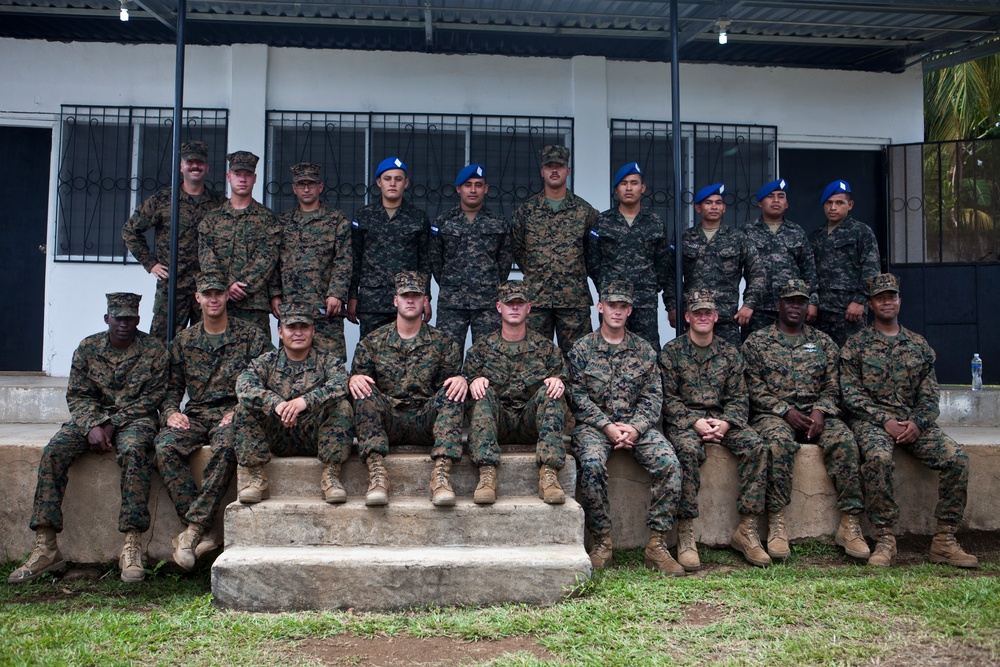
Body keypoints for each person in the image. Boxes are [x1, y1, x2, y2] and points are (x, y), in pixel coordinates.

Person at [9, 293, 167, 584]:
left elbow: (154, 396)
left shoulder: (154, 350)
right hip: (90, 419)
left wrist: (111, 424)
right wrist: (93, 424)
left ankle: (131, 545)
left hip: (136, 419)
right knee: (54, 451)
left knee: (135, 451)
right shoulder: (88, 348)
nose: (124, 323)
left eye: (129, 318)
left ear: (138, 320)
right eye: (118, 317)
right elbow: (78, 395)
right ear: (107, 319)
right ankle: (46, 547)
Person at [840, 273, 978, 568]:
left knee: (957, 459)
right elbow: (851, 395)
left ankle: (944, 540)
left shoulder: (918, 345)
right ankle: (885, 538)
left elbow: (930, 396)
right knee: (877, 458)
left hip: (913, 424)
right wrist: (883, 419)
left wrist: (917, 423)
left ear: (899, 301)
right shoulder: (856, 345)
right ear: (870, 305)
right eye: (880, 298)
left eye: (892, 297)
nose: (887, 302)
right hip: (872, 423)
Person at [742, 278, 870, 562]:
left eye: (801, 301)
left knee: (845, 440)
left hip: (816, 416)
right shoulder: (757, 342)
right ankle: (777, 523)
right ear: (778, 305)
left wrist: (821, 411)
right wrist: (784, 410)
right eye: (790, 301)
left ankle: (850, 523)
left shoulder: (823, 342)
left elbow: (834, 383)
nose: (795, 307)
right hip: (773, 415)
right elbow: (752, 386)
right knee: (777, 443)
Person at [155, 273, 272, 571]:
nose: (213, 299)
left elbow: (266, 379)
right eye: (207, 294)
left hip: (233, 413)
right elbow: (172, 387)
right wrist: (170, 411)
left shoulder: (251, 336)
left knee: (228, 447)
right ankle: (203, 529)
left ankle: (192, 531)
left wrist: (240, 408)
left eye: (218, 293)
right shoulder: (184, 341)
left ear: (226, 296)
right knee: (165, 447)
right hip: (196, 413)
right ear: (198, 298)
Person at [569, 280, 683, 575]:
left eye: (622, 307)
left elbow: (653, 396)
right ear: (600, 307)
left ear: (630, 310)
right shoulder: (582, 349)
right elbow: (577, 396)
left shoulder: (643, 350)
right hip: (595, 427)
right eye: (612, 306)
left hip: (637, 425)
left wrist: (635, 428)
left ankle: (656, 546)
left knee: (669, 463)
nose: (617, 312)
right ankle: (603, 543)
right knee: (592, 464)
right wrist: (606, 426)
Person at [659, 289, 770, 569]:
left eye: (708, 313)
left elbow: (738, 397)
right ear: (687, 317)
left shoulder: (729, 353)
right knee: (686, 450)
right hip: (687, 421)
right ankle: (685, 534)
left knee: (756, 446)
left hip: (722, 420)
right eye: (697, 313)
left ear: (716, 316)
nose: (703, 317)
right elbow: (667, 398)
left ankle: (747, 530)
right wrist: (693, 421)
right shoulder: (672, 353)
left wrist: (726, 422)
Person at [349, 271, 468, 507]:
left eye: (416, 295)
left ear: (425, 301)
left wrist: (461, 379)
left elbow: (447, 389)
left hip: (426, 421)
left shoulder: (443, 343)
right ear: (396, 301)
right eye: (405, 296)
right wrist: (353, 380)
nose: (410, 300)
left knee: (454, 390)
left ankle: (441, 477)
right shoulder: (372, 343)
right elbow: (361, 383)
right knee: (362, 390)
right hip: (389, 420)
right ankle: (377, 476)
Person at [234, 302, 354, 505]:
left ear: (313, 331)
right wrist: (276, 404)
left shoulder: (328, 361)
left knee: (342, 407)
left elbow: (341, 384)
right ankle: (257, 479)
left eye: (304, 327)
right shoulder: (266, 362)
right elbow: (244, 385)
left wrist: (304, 401)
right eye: (291, 327)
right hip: (277, 433)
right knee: (242, 409)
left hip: (314, 435)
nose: (298, 333)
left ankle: (331, 476)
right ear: (280, 332)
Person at [464, 280, 569, 506]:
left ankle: (549, 475)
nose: (514, 308)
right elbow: (468, 381)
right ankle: (486, 473)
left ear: (528, 308)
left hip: (529, 423)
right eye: (509, 303)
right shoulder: (481, 350)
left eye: (519, 303)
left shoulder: (547, 350)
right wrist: (474, 381)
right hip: (497, 424)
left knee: (552, 391)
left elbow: (563, 380)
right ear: (499, 307)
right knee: (481, 393)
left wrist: (557, 382)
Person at [121, 140, 224, 341]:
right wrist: (150, 264)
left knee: (205, 342)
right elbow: (130, 230)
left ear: (207, 167)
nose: (195, 166)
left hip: (206, 288)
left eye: (200, 162)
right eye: (190, 162)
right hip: (172, 286)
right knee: (161, 343)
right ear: (181, 167)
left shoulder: (219, 203)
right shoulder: (164, 200)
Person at [512, 145, 597, 356]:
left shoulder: (585, 212)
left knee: (578, 357)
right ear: (542, 171)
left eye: (559, 166)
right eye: (549, 166)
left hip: (573, 299)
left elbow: (593, 254)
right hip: (536, 299)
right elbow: (517, 249)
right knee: (535, 358)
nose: (554, 171)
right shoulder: (526, 211)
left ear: (568, 170)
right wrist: (537, 271)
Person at [664, 183, 766, 347]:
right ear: (698, 208)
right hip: (693, 316)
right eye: (708, 202)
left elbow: (757, 273)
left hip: (726, 317)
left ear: (724, 208)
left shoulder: (738, 238)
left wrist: (749, 305)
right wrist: (672, 307)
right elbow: (670, 276)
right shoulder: (684, 238)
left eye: (718, 203)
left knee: (729, 367)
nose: (714, 207)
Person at [270, 162, 352, 361]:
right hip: (292, 311)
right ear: (294, 188)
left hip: (325, 310)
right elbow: (273, 261)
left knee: (331, 366)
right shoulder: (282, 223)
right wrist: (274, 294)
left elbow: (344, 258)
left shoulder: (336, 220)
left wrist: (337, 293)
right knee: (292, 367)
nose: (306, 189)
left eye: (311, 184)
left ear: (320, 186)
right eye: (301, 184)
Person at [198, 151, 281, 339]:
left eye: (247, 175)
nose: (242, 179)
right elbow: (206, 258)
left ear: (255, 178)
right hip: (218, 304)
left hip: (254, 305)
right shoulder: (212, 219)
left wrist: (242, 286)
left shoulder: (267, 219)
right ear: (229, 177)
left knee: (258, 360)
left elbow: (267, 258)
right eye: (237, 174)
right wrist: (225, 286)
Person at [586, 162, 669, 348]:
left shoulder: (655, 222)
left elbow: (663, 261)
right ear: (616, 189)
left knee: (647, 348)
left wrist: (651, 284)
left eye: (634, 183)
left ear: (643, 188)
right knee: (610, 346)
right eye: (623, 184)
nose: (629, 188)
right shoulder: (603, 221)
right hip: (612, 300)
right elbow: (592, 260)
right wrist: (606, 284)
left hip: (644, 300)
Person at [349, 157, 432, 339]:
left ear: (406, 183)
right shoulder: (364, 216)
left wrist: (426, 298)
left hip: (407, 299)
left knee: (407, 353)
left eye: (398, 179)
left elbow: (425, 262)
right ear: (379, 182)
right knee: (369, 352)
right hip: (372, 300)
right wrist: (352, 296)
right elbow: (355, 258)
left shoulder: (418, 218)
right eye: (387, 179)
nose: (392, 183)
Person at [430, 164, 513, 346]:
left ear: (486, 188)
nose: (473, 190)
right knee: (447, 355)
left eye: (478, 184)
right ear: (459, 189)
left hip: (487, 302)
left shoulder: (499, 223)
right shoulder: (443, 222)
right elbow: (436, 261)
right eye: (468, 185)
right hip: (451, 302)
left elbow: (504, 262)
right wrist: (451, 283)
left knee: (487, 355)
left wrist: (489, 284)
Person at [743, 178, 819, 335]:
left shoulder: (797, 232)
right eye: (770, 196)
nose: (776, 200)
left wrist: (812, 301)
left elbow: (809, 270)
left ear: (787, 204)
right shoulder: (746, 232)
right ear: (760, 203)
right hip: (757, 308)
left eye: (781, 196)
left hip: (791, 307)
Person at [810, 180, 881, 347]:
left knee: (851, 358)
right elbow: (809, 271)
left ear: (850, 205)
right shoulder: (816, 236)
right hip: (820, 312)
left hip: (849, 310)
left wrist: (860, 300)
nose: (833, 207)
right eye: (829, 202)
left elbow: (871, 270)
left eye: (839, 202)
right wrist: (812, 301)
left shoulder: (861, 232)